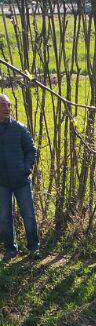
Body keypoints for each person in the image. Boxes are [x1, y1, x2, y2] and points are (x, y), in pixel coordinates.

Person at [0, 94, 39, 261]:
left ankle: (34, 248)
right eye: (3, 105)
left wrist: (26, 169)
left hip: (21, 180)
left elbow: (31, 150)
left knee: (29, 214)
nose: (7, 108)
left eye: (8, 105)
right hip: (1, 183)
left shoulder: (19, 128)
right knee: (3, 217)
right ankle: (10, 249)